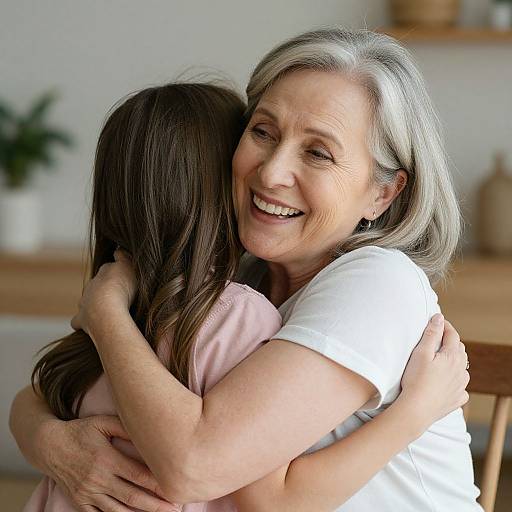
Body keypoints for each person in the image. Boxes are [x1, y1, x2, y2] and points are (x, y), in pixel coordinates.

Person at [10, 28, 480, 512]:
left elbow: (196, 465)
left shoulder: (379, 283)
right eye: (263, 132)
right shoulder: (243, 280)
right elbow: (51, 388)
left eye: (318, 152)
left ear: (383, 193)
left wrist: (106, 314)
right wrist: (54, 443)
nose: (271, 171)